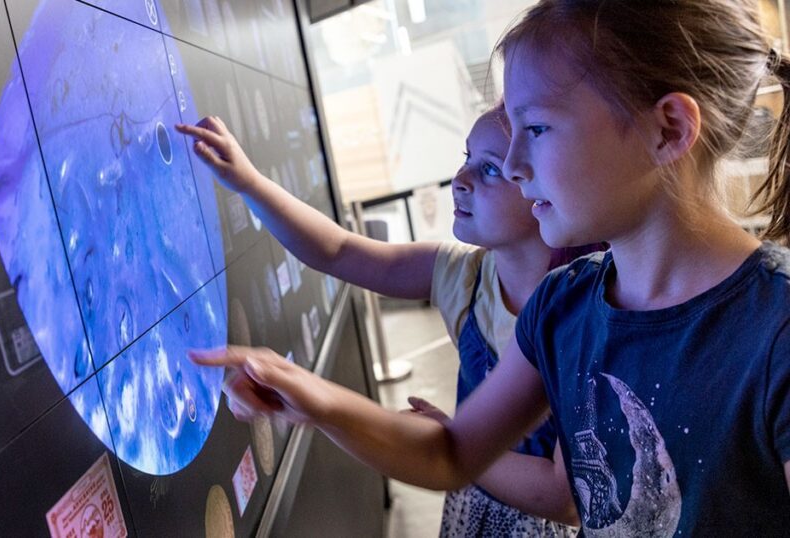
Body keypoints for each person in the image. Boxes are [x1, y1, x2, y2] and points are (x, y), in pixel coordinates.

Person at [187, 0, 790, 534]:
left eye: (536, 127)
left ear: (669, 129)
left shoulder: (775, 331)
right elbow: (452, 452)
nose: (518, 163)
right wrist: (312, 398)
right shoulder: (564, 304)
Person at [179, 103, 585, 534]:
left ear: (543, 187)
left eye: (489, 170)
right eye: (466, 160)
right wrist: (249, 183)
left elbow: (562, 496)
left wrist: (454, 444)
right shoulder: (462, 276)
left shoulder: (581, 311)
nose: (460, 182)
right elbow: (337, 250)